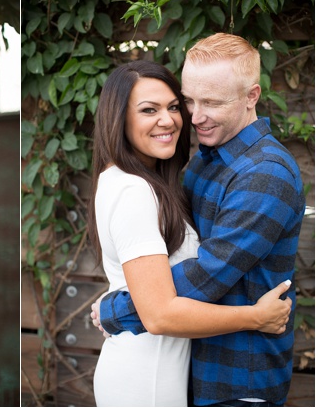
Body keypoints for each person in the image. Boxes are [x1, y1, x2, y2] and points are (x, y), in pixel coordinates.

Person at [93, 34, 305, 406]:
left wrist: (117, 307)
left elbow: (206, 275)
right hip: (189, 371)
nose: (195, 116)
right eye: (189, 100)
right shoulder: (204, 162)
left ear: (251, 96)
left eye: (212, 102)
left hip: (237, 382)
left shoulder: (264, 174)